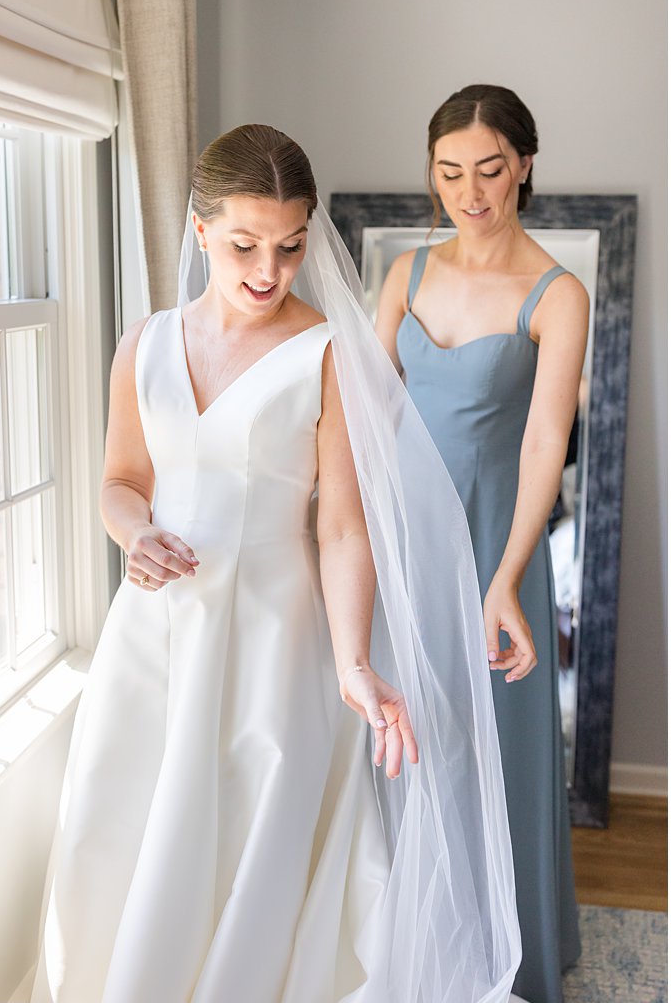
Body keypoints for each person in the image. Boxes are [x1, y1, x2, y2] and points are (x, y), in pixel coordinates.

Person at [32, 124, 519, 1002]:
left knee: (254, 838)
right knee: (128, 823)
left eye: (291, 247)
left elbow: (342, 529)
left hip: (274, 635)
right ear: (199, 228)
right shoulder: (142, 345)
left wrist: (354, 663)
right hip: (155, 634)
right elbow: (119, 480)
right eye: (246, 245)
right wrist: (133, 534)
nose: (269, 270)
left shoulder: (329, 353)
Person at [375, 84, 585, 1002]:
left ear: (525, 165)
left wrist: (506, 578)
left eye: (490, 169)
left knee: (497, 749)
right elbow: (365, 416)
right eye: (450, 171)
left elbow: (546, 439)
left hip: (501, 547)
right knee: (409, 736)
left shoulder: (556, 291)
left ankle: (509, 951)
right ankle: (407, 937)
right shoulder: (405, 275)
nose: (469, 190)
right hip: (406, 545)